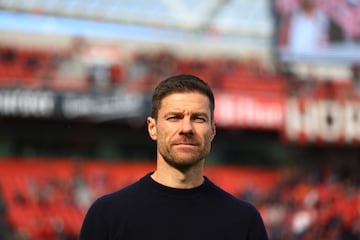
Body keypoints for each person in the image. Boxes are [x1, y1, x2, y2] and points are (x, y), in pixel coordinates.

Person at [79, 74, 268, 240]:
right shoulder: (107, 215)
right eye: (174, 118)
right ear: (153, 128)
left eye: (198, 118)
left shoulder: (245, 221)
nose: (186, 128)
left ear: (212, 131)